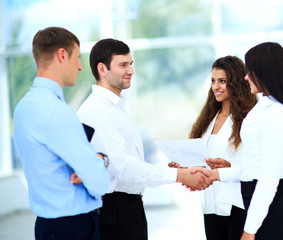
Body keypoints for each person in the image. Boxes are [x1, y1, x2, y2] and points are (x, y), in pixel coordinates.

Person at [77, 38, 213, 240]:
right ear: (102, 69)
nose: (131, 71)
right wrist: (179, 176)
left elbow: (127, 159)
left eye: (131, 64)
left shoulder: (115, 107)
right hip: (114, 211)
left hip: (127, 208)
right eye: (123, 65)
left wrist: (173, 169)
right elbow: (122, 167)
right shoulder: (98, 111)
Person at [197, 42, 283, 240]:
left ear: (265, 72)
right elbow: (251, 169)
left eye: (250, 71)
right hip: (260, 209)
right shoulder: (265, 108)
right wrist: (215, 174)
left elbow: (268, 178)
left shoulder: (276, 114)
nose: (245, 77)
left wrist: (249, 230)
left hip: (271, 214)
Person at [13, 27, 110, 240]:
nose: (80, 66)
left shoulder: (23, 107)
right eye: (77, 58)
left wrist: (93, 162)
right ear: (62, 55)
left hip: (46, 227)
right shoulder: (58, 113)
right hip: (74, 227)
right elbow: (99, 183)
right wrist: (101, 161)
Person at [169, 56, 257, 240]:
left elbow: (255, 164)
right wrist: (185, 167)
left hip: (237, 204)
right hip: (210, 205)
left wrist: (228, 167)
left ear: (236, 83)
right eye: (213, 81)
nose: (216, 86)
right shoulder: (209, 118)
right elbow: (203, 158)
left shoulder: (250, 119)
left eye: (222, 81)